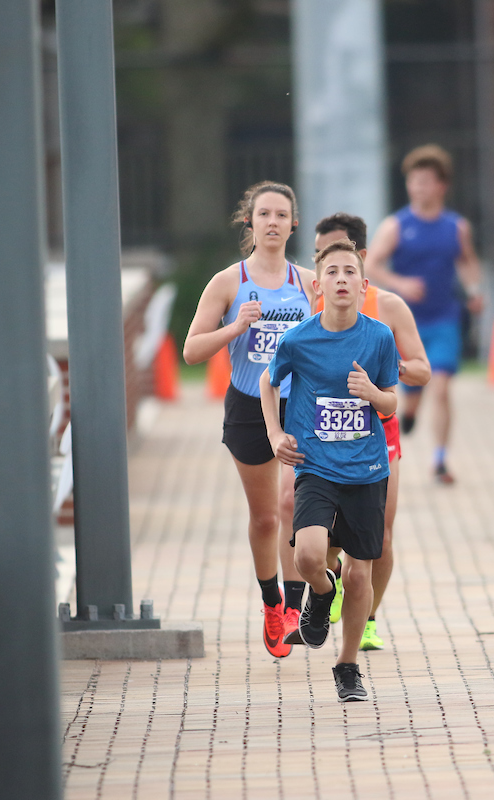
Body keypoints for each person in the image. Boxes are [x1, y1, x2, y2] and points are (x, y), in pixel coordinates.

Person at [259, 238, 399, 702]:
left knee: (362, 573)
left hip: (366, 469)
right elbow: (267, 380)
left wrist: (372, 394)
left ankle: (348, 665)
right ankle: (321, 593)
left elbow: (391, 400)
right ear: (319, 286)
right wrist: (276, 435)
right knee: (308, 556)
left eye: (350, 272)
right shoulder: (299, 338)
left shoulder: (378, 337)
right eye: (333, 272)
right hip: (316, 465)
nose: (342, 279)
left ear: (363, 284)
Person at [183, 181, 316, 659]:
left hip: (298, 407)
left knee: (291, 506)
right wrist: (236, 327)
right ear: (250, 222)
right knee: (264, 518)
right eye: (265, 214)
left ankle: (300, 606)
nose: (274, 222)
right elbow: (191, 350)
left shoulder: (307, 283)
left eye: (282, 215)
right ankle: (272, 602)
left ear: (293, 224)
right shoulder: (228, 282)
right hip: (246, 406)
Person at [313, 213, 430, 652]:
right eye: (323, 258)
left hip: (379, 431)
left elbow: (423, 371)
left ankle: (368, 618)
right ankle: (328, 590)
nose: (334, 270)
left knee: (380, 533)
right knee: (318, 534)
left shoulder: (389, 306)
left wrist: (386, 367)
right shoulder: (313, 306)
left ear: (361, 260)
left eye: (343, 259)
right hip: (324, 434)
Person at [365, 144, 484, 484]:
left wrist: (475, 292)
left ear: (441, 186)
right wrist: (400, 283)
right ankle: (412, 412)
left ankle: (440, 460)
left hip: (444, 319)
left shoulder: (456, 227)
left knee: (442, 387)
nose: (419, 187)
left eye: (426, 181)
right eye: (414, 181)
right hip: (405, 324)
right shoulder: (396, 226)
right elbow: (371, 265)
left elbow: (467, 261)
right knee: (413, 389)